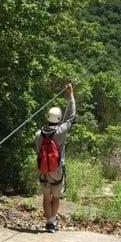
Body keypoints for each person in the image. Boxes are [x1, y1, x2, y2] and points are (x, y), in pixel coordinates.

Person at [35, 83, 76, 232]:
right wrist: (71, 95)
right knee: (56, 197)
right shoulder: (61, 132)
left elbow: (38, 151)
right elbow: (71, 116)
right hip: (57, 170)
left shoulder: (38, 134)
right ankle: (53, 223)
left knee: (46, 197)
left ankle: (50, 222)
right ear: (58, 118)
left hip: (43, 170)